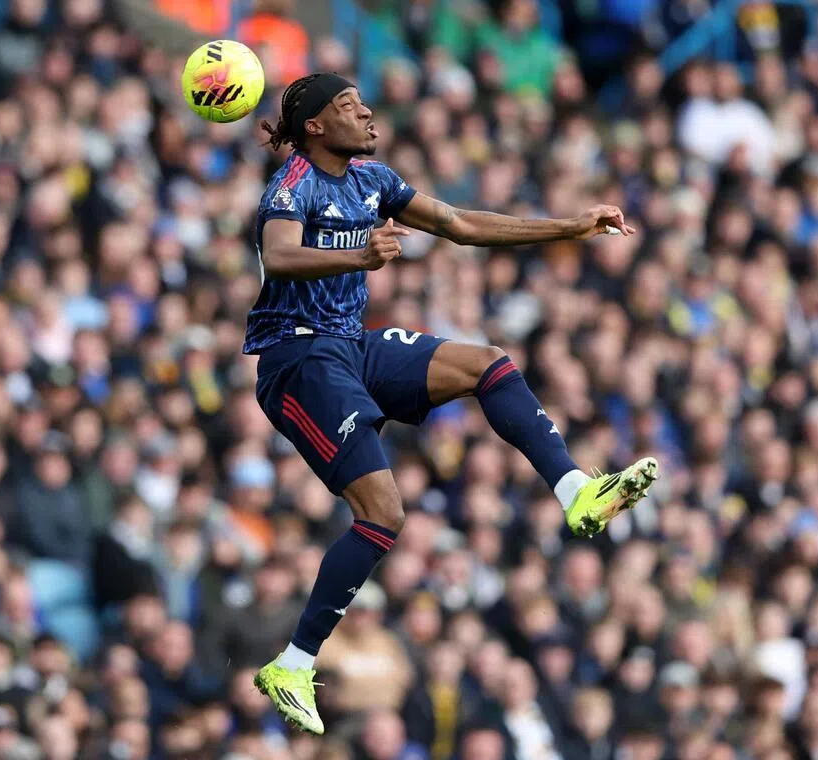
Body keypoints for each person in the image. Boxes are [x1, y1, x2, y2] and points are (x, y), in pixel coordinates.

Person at [248, 72, 659, 735]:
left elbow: (460, 224)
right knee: (384, 512)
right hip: (298, 361)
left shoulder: (372, 180)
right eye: (350, 107)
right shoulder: (292, 185)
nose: (368, 110)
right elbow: (277, 254)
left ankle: (577, 491)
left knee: (488, 362)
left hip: (349, 348)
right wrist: (358, 252)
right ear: (317, 126)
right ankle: (293, 663)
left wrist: (569, 226)